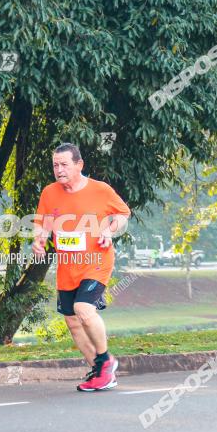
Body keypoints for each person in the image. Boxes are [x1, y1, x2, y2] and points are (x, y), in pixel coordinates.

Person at [32, 143, 131, 391]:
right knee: (73, 322)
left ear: (79, 165)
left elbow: (122, 214)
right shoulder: (49, 192)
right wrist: (39, 239)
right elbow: (43, 221)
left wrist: (109, 230)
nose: (59, 169)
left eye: (64, 164)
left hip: (97, 262)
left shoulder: (100, 190)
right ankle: (101, 373)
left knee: (83, 308)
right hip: (68, 267)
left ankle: (105, 360)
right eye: (55, 165)